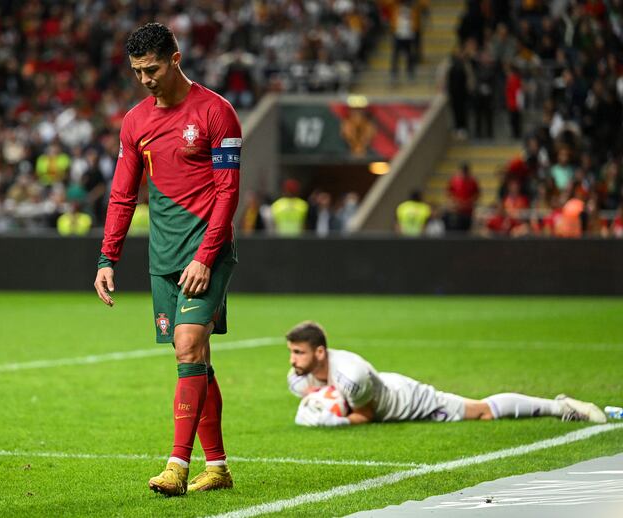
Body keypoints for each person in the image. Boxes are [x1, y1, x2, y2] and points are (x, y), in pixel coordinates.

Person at [93, 23, 240, 497]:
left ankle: (177, 465)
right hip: (163, 258)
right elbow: (122, 193)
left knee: (187, 347)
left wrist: (205, 255)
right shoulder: (135, 122)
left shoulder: (218, 112)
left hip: (208, 254)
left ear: (175, 58)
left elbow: (228, 192)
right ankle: (216, 467)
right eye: (136, 71)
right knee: (197, 358)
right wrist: (107, 256)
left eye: (152, 68)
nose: (145, 79)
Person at [285, 321, 607, 427]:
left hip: (408, 400)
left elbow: (366, 416)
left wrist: (334, 421)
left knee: (482, 412)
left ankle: (560, 406)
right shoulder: (297, 377)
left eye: (298, 352)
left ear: (320, 352)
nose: (293, 360)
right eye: (291, 351)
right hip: (387, 386)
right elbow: (321, 397)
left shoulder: (351, 374)